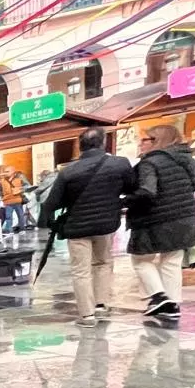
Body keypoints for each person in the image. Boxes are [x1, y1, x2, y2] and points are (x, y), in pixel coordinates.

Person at [40, 127, 135, 327]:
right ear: (103, 143)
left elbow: (52, 203)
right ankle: (101, 304)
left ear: (80, 146)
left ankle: (87, 315)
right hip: (106, 224)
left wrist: (49, 220)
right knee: (103, 262)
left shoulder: (69, 171)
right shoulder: (119, 164)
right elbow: (131, 187)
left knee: (80, 270)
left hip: (77, 227)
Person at [127, 125, 195, 323]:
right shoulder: (185, 158)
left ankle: (159, 296)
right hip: (185, 217)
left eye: (145, 139)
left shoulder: (150, 162)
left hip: (155, 219)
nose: (140, 144)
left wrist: (125, 201)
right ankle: (173, 304)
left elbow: (147, 191)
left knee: (141, 260)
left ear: (157, 140)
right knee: (172, 261)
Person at [0, 167, 29, 233]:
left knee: (20, 216)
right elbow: (0, 190)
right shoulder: (2, 181)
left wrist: (20, 189)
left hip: (17, 200)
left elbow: (27, 186)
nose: (5, 173)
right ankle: (10, 231)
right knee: (8, 217)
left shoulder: (20, 178)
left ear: (13, 171)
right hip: (8, 201)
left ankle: (22, 229)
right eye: (5, 171)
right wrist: (2, 197)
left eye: (7, 171)